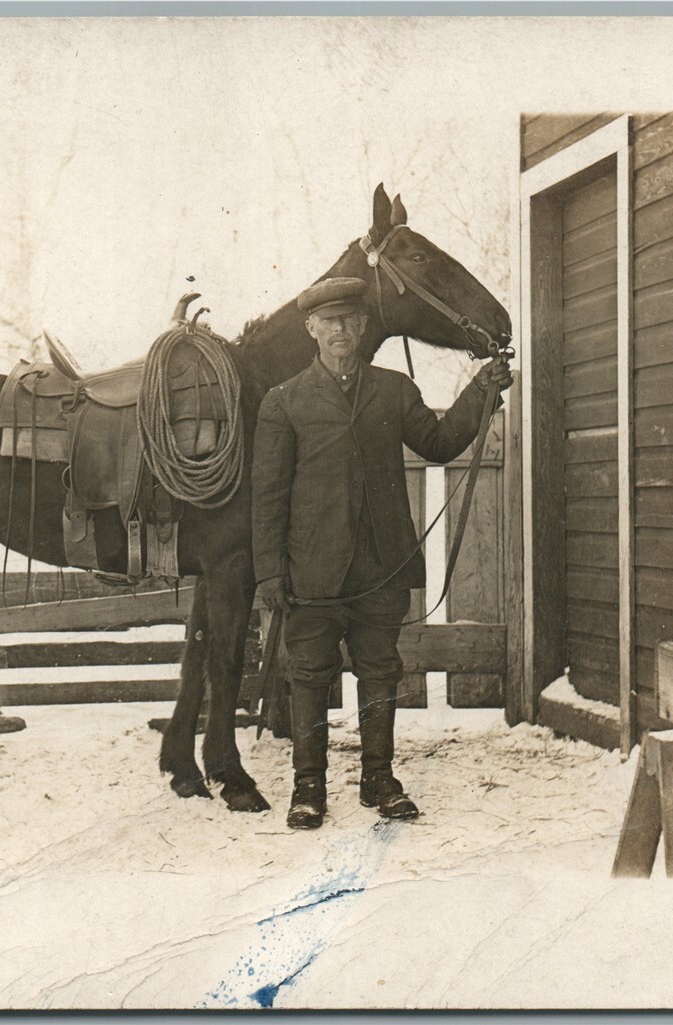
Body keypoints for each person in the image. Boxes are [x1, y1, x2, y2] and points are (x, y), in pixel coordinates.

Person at [252, 277, 513, 830]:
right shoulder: (284, 402)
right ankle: (309, 785)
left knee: (379, 671)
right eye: (329, 321)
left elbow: (439, 444)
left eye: (349, 319)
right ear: (311, 331)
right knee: (307, 675)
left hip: (380, 566)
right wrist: (270, 572)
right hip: (311, 573)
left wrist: (480, 389)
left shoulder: (394, 391)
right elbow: (268, 496)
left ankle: (379, 778)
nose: (340, 329)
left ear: (364, 326)